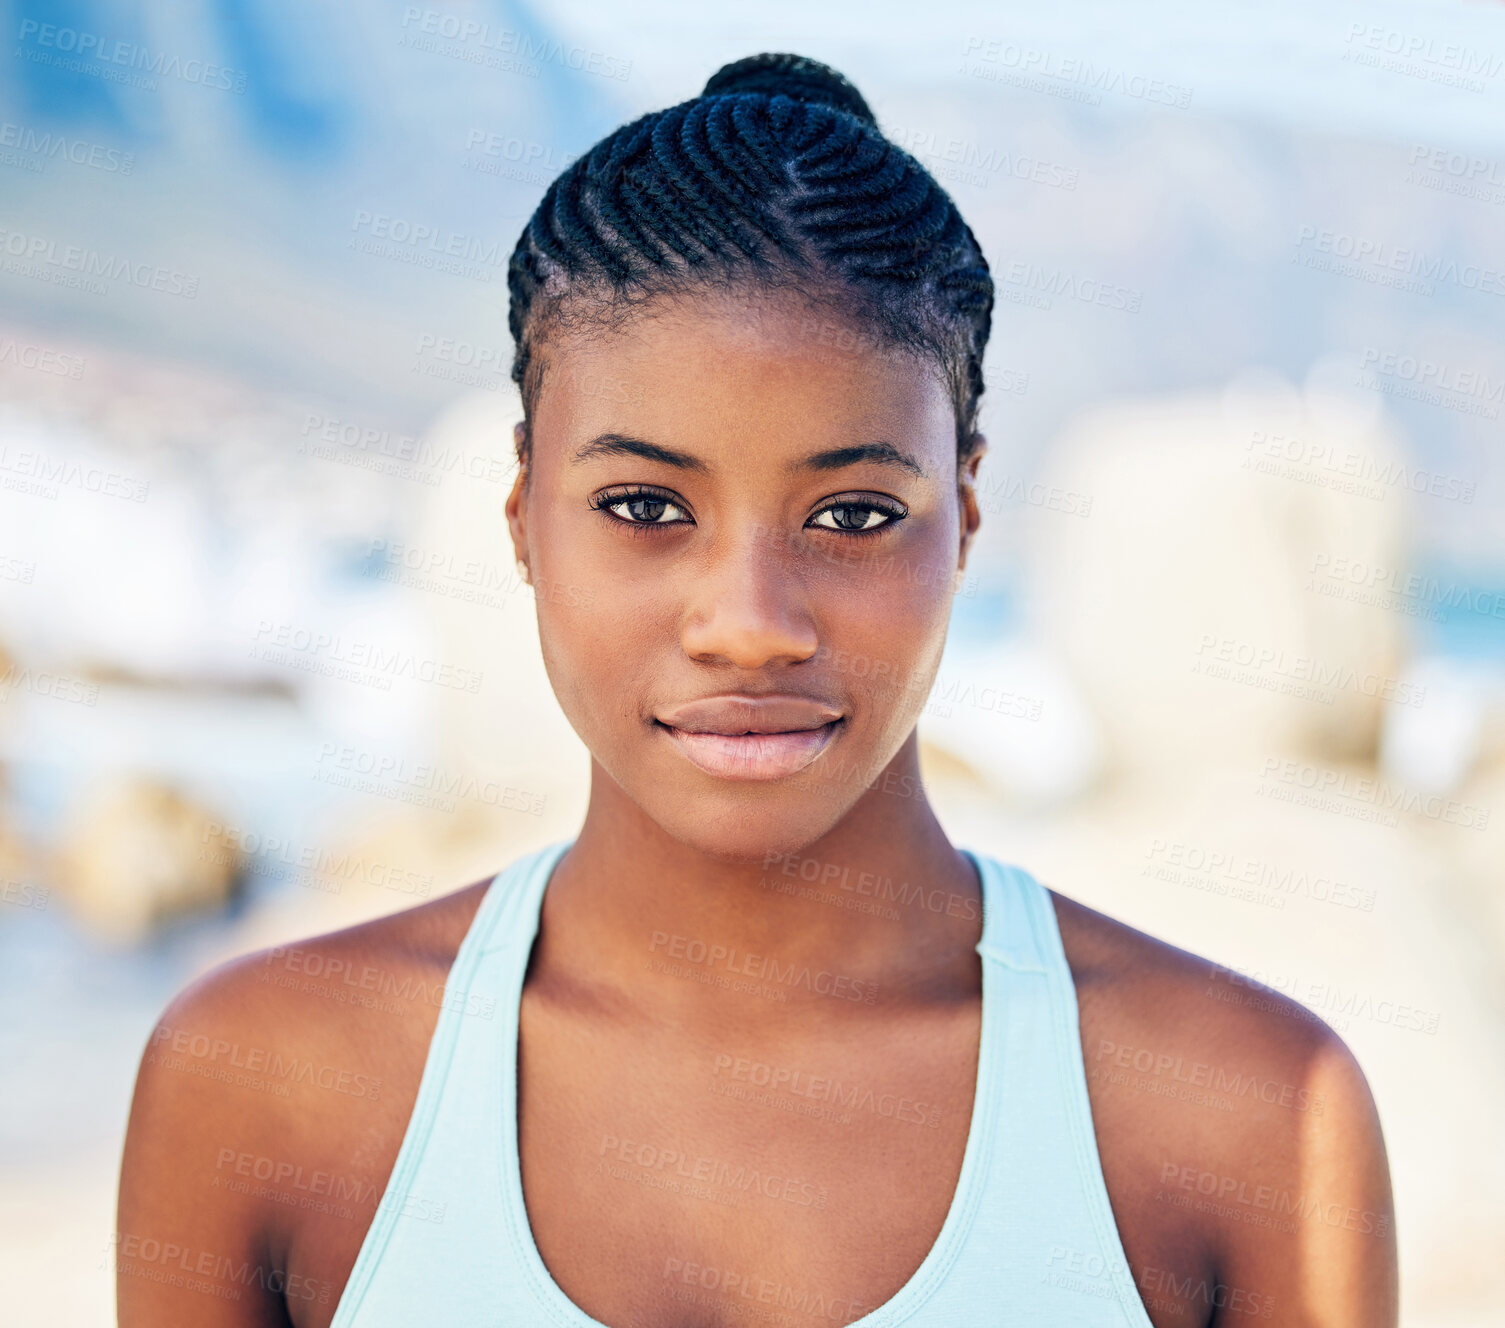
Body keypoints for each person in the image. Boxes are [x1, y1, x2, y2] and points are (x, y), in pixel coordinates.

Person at [116, 53, 1397, 1328]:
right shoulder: (264, 1087)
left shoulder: (1251, 1122)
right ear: (520, 517)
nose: (746, 625)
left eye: (850, 513)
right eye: (642, 506)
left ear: (961, 515)